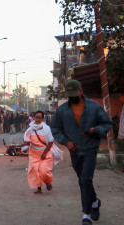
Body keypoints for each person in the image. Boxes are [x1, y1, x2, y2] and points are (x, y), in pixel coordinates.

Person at [50, 80, 112, 225]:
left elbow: (107, 123)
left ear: (81, 91)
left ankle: (86, 215)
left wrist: (96, 130)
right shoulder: (62, 110)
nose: (71, 97)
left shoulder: (94, 107)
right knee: (83, 180)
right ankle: (95, 201)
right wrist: (66, 142)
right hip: (75, 150)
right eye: (69, 94)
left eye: (74, 93)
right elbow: (56, 129)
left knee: (85, 179)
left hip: (90, 148)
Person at [24, 111, 54, 194]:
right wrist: (26, 143)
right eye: (36, 117)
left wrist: (45, 152)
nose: (37, 119)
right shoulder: (30, 129)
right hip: (33, 154)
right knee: (35, 171)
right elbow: (28, 140)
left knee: (43, 170)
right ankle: (39, 189)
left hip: (45, 152)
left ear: (42, 119)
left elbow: (51, 141)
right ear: (34, 117)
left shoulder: (46, 128)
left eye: (39, 117)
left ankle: (48, 182)